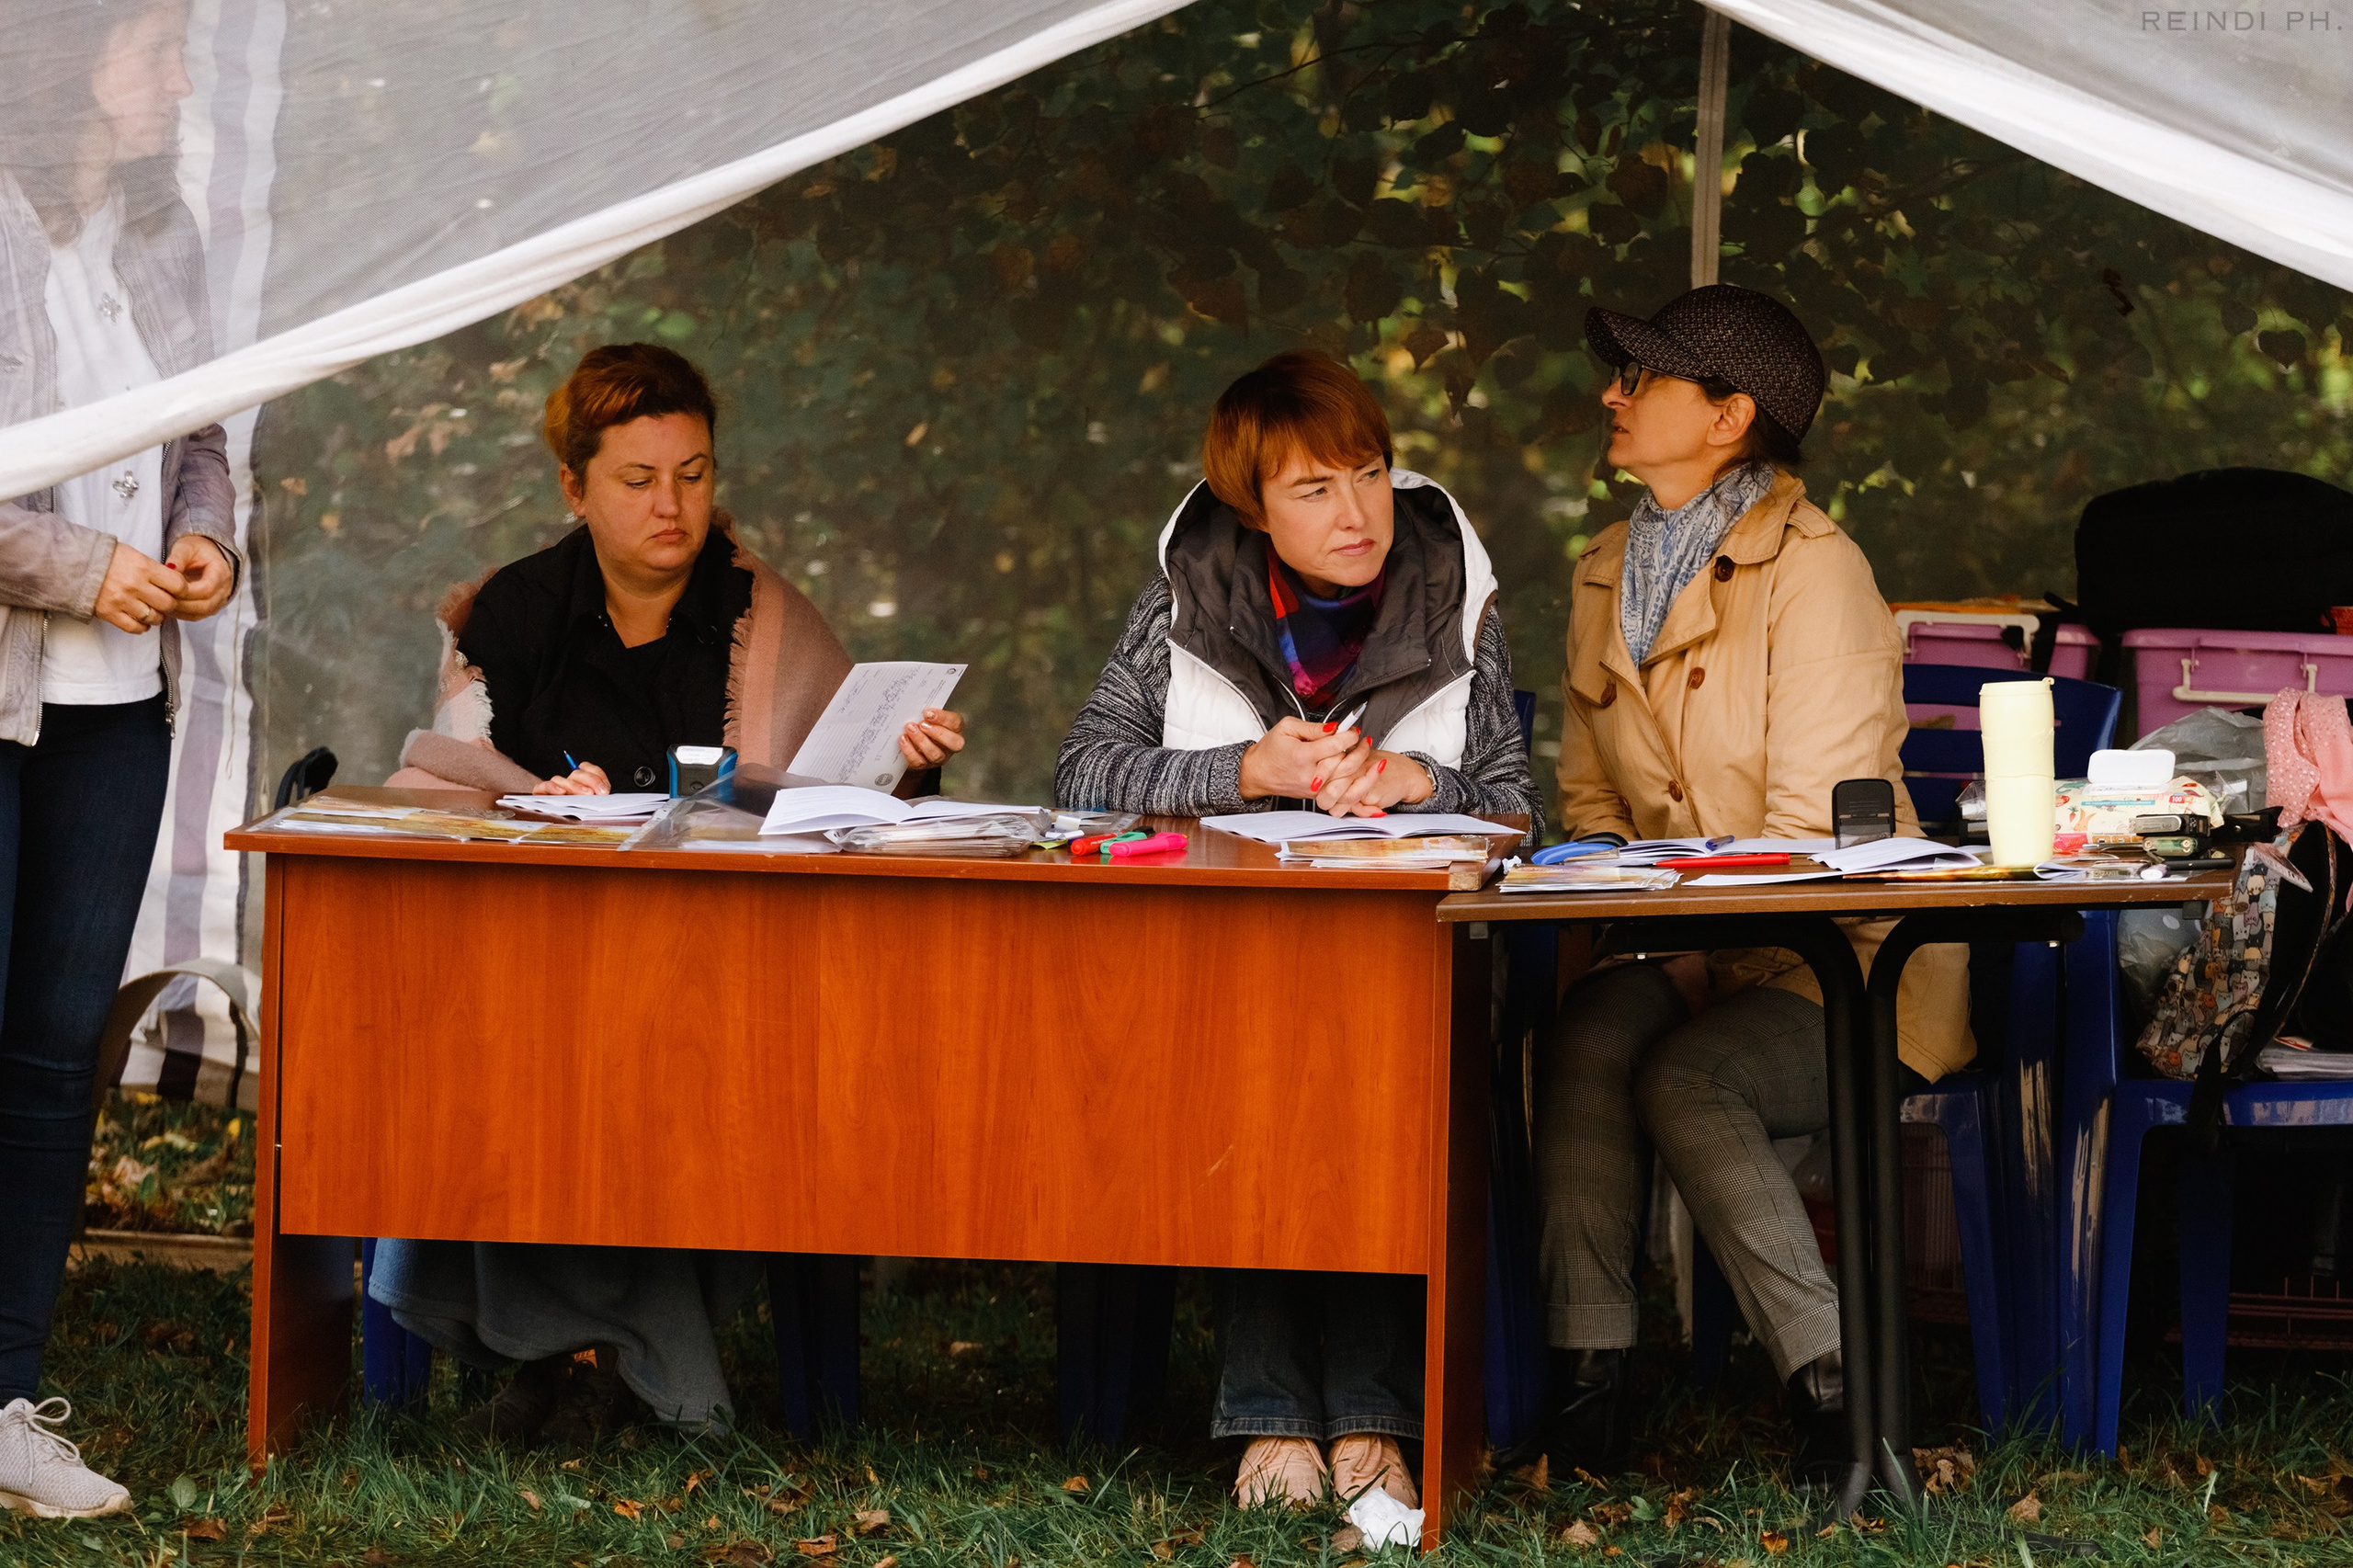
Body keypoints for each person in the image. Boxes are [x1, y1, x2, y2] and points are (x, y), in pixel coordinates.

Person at [371, 344, 966, 1441]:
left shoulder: (764, 615)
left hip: (730, 968)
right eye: (638, 479)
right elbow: (454, 777)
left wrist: (910, 760)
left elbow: (845, 799)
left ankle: (581, 1358)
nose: (672, 505)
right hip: (544, 954)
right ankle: (594, 1356)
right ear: (574, 487)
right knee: (522, 1053)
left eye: (693, 475)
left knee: (675, 1056)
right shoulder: (511, 612)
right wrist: (538, 798)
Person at [1058, 349, 1540, 1509]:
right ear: (1252, 507)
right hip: (1230, 961)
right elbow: (1081, 771)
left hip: (1407, 961)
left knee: (1363, 1068)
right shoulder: (1185, 594)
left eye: (1368, 473)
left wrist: (1420, 783)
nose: (1356, 511)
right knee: (1255, 1060)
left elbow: (1521, 806)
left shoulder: (1452, 588)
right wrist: (1244, 769)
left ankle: (1370, 1418)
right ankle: (1272, 1417)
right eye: (1314, 489)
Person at [1533, 284, 1970, 1482]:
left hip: (1854, 960)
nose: (1611, 395)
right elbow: (1589, 803)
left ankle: (1840, 1399)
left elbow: (1813, 833)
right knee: (1586, 1033)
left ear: (1730, 417)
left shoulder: (1819, 569)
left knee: (1688, 1072)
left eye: (1642, 378)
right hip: (1699, 937)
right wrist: (1663, 936)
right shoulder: (1601, 568)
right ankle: (1588, 1398)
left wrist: (1680, 927)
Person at [0, 0, 240, 1520]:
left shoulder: (165, 237)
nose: (181, 80)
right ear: (74, 60)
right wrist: (85, 568)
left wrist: (205, 535)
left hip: (116, 712)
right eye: (158, 50)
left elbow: (205, 437)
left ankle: (5, 1402)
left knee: (48, 1059)